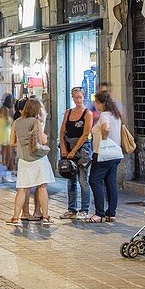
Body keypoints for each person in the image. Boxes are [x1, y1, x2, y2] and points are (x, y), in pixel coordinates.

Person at [7, 97, 55, 224]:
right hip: (38, 159)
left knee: (22, 188)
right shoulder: (36, 122)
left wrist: (23, 142)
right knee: (42, 187)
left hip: (23, 159)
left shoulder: (16, 122)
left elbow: (11, 143)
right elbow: (43, 140)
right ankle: (45, 216)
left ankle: (15, 217)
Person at [88, 90, 124, 223]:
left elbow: (106, 128)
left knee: (94, 181)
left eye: (96, 102)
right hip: (115, 154)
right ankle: (111, 213)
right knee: (111, 182)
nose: (95, 104)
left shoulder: (104, 115)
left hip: (103, 154)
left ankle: (99, 213)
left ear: (102, 103)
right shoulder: (116, 115)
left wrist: (104, 138)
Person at [59, 87, 93, 219]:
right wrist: (63, 148)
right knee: (70, 179)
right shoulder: (68, 113)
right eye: (75, 97)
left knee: (83, 180)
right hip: (67, 148)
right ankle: (71, 209)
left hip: (82, 149)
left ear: (83, 97)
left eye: (80, 97)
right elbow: (62, 132)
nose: (77, 100)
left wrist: (74, 150)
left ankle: (84, 209)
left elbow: (85, 134)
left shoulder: (87, 114)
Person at [0, 94, 15, 183]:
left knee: (3, 155)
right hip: (6, 134)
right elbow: (8, 122)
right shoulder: (6, 110)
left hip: (0, 133)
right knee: (8, 156)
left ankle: (2, 176)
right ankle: (4, 176)